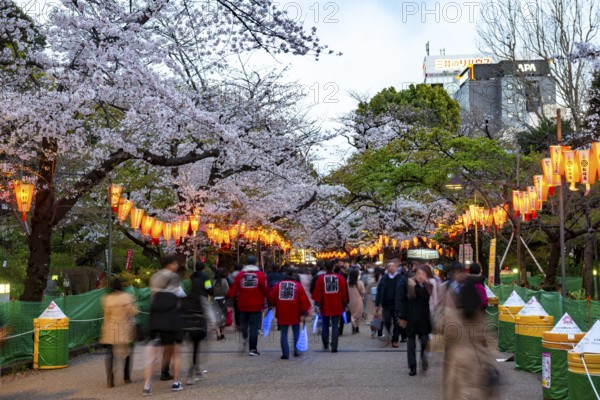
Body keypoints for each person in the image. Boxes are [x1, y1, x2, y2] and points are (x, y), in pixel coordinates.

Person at [440, 262, 499, 399]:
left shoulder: (452, 316)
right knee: (477, 390)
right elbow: (486, 338)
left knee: (457, 391)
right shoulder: (480, 317)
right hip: (479, 358)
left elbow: (445, 333)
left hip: (458, 359)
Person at [145, 255, 185, 395]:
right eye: (176, 263)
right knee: (176, 350)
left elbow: (152, 294)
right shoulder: (173, 277)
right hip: (171, 316)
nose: (177, 266)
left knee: (153, 353)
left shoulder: (154, 277)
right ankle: (175, 382)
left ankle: (147, 385)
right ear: (171, 264)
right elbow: (180, 293)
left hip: (155, 315)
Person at [99, 277, 138, 388]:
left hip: (111, 327)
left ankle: (110, 379)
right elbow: (133, 312)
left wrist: (104, 329)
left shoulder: (107, 299)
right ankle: (126, 377)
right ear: (122, 286)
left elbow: (106, 315)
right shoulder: (127, 297)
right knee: (127, 353)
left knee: (110, 353)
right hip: (123, 327)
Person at [227, 255, 268, 356]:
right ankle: (252, 349)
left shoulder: (241, 275)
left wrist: (230, 299)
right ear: (256, 263)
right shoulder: (260, 275)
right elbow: (266, 289)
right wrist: (268, 300)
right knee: (254, 327)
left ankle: (244, 337)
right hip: (256, 304)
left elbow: (233, 290)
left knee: (244, 324)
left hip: (242, 304)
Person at [181, 262, 213, 385]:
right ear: (204, 268)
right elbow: (210, 289)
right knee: (196, 347)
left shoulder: (189, 278)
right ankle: (192, 373)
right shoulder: (206, 278)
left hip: (188, 308)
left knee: (192, 348)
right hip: (200, 307)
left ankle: (196, 370)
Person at [269, 268, 311, 359]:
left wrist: (272, 304)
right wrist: (304, 311)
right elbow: (303, 299)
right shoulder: (297, 285)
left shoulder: (279, 285)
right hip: (295, 311)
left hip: (282, 311)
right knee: (296, 331)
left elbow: (271, 296)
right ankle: (296, 350)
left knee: (284, 333)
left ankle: (285, 353)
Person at [398, 265, 432, 376]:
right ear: (414, 275)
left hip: (423, 320)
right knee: (411, 344)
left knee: (424, 342)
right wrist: (402, 316)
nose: (420, 276)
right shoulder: (407, 286)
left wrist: (416, 286)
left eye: (423, 274)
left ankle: (423, 361)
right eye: (418, 274)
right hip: (411, 319)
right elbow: (403, 300)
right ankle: (412, 367)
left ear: (426, 275)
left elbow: (425, 296)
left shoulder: (428, 286)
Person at [311, 260, 349, 353]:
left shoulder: (321, 279)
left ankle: (325, 343)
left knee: (325, 324)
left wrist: (318, 305)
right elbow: (344, 292)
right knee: (335, 325)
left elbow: (317, 293)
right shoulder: (340, 278)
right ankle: (334, 346)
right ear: (333, 267)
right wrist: (345, 304)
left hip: (325, 304)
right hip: (337, 304)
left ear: (324, 268)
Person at [375, 260, 406, 347]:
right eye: (389, 266)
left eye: (393, 266)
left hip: (398, 304)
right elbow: (379, 291)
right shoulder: (384, 278)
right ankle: (388, 335)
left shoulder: (402, 278)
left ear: (396, 267)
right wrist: (377, 304)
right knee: (387, 321)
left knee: (397, 323)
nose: (391, 268)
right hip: (386, 304)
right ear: (387, 268)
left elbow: (406, 291)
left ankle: (394, 340)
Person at [213, 268, 230, 340]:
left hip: (215, 301)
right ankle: (222, 333)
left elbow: (208, 290)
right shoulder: (225, 281)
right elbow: (228, 291)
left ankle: (218, 333)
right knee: (224, 317)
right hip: (223, 300)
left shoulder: (212, 281)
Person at [347, 268, 365, 334]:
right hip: (358, 300)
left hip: (350, 301)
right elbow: (363, 292)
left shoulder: (348, 283)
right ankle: (357, 327)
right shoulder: (360, 283)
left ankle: (353, 326)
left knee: (352, 314)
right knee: (358, 314)